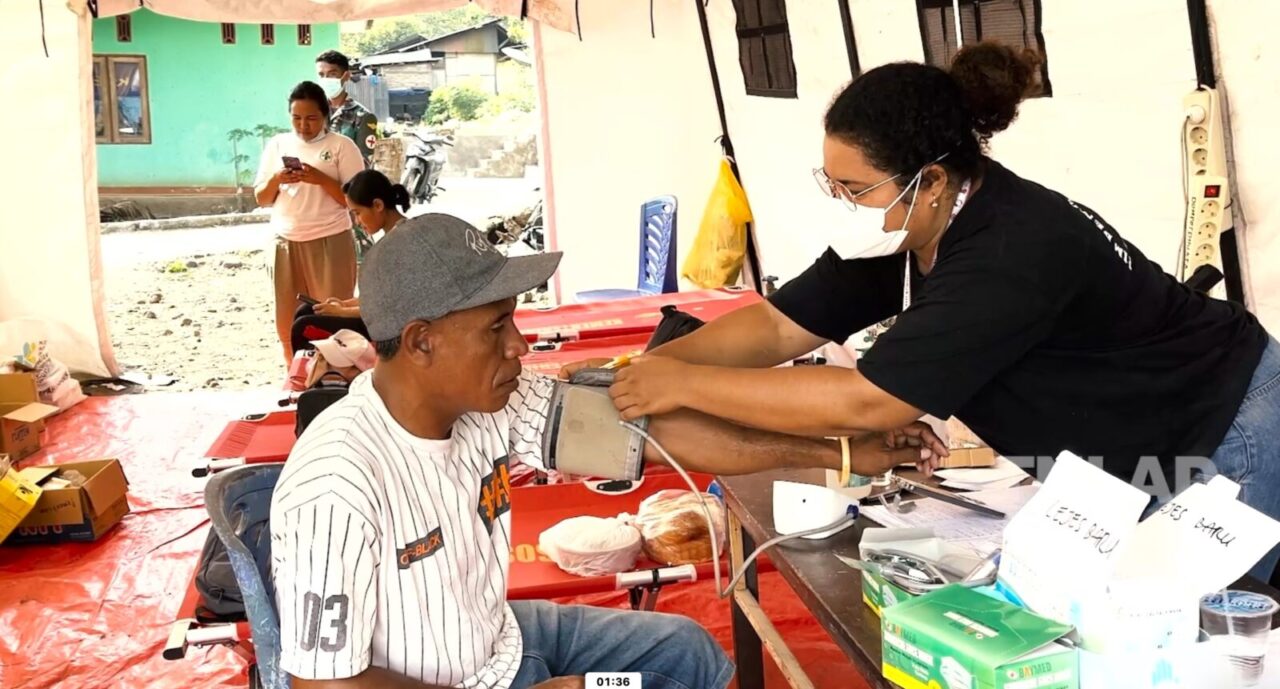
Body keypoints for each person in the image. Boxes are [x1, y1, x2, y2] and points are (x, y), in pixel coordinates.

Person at [567, 42, 1280, 581]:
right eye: (833, 183)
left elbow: (865, 400)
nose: (845, 203)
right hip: (1137, 439)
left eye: (855, 187)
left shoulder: (1011, 249)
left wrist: (681, 384)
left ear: (932, 180)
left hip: (1223, 423)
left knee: (1211, 623)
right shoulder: (919, 225)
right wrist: (653, 365)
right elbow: (779, 326)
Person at [270, 213, 943, 689]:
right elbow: (324, 682)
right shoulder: (338, 482)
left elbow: (654, 435)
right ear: (420, 341)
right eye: (498, 327)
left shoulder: (490, 406)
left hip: (502, 642)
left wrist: (843, 452)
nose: (520, 346)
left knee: (686, 653)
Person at [255, 81, 366, 363]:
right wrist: (277, 179)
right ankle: (294, 378)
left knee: (333, 316)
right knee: (287, 321)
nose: (303, 125)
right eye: (296, 118)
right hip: (286, 242)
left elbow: (354, 200)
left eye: (311, 118)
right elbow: (262, 198)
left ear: (326, 115)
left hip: (331, 241)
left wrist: (320, 179)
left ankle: (334, 378)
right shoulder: (278, 144)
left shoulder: (342, 146)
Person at [289, 169, 413, 351]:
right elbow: (379, 297)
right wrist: (343, 304)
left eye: (358, 213)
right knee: (306, 311)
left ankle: (326, 377)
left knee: (303, 327)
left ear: (378, 205)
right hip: (383, 315)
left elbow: (390, 306)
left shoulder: (400, 243)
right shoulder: (394, 235)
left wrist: (341, 312)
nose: (357, 221)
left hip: (394, 327)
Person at [316, 50, 380, 163]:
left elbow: (364, 162)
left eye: (332, 74)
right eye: (321, 75)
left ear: (346, 76)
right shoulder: (315, 111)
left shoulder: (364, 117)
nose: (325, 79)